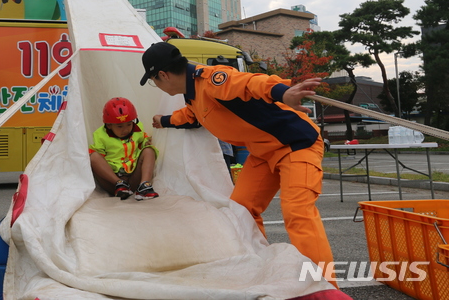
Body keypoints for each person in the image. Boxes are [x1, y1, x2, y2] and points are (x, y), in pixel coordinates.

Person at [140, 42, 336, 285]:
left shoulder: (211, 79)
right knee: (242, 209)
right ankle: (262, 265)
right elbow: (195, 116)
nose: (156, 85)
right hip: (263, 153)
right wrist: (165, 120)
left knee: (298, 213)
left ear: (162, 75)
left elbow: (250, 82)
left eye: (153, 80)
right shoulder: (193, 94)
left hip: (295, 144)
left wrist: (283, 92)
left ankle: (324, 288)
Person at [88, 97, 159, 200]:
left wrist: (146, 142)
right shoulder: (100, 135)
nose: (126, 129)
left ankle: (144, 186)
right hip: (113, 183)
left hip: (134, 177)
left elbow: (143, 140)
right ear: (109, 125)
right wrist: (116, 180)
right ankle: (120, 184)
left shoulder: (137, 129)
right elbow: (99, 160)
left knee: (149, 150)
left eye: (129, 124)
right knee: (93, 156)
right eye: (120, 126)